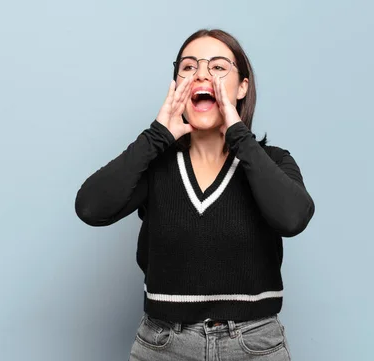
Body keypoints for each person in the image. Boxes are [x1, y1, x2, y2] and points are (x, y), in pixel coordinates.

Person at [75, 28, 315, 361]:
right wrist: (155, 136)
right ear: (177, 85)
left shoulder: (272, 162)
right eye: (188, 67)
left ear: (242, 86)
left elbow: (292, 218)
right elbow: (90, 208)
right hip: (164, 345)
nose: (202, 73)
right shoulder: (155, 165)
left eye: (218, 67)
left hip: (254, 346)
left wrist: (239, 135)